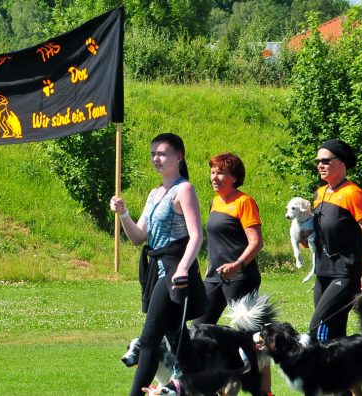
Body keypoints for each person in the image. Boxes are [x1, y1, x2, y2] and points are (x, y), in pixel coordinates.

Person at [110, 133, 206, 396]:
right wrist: (123, 213)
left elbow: (196, 235)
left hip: (174, 270)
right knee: (177, 338)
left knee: (149, 339)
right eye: (153, 154)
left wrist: (184, 268)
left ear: (179, 156)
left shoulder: (184, 189)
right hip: (156, 269)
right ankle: (204, 388)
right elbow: (138, 236)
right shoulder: (154, 193)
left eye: (162, 153)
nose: (156, 158)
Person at [309, 139, 362, 342]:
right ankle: (346, 364)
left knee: (317, 326)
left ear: (342, 163)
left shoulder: (353, 194)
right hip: (323, 271)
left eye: (326, 161)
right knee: (335, 329)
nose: (320, 165)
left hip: (346, 272)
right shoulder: (319, 193)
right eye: (317, 161)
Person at [194, 153, 263, 325]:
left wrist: (237, 265)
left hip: (240, 276)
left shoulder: (244, 202)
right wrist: (207, 268)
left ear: (234, 177)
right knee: (199, 327)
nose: (214, 177)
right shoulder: (215, 201)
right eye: (212, 172)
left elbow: (256, 242)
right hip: (214, 276)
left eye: (220, 173)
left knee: (249, 330)